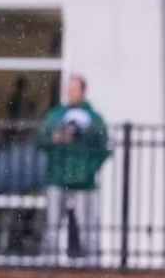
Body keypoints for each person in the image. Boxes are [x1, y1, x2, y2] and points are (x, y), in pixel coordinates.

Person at [37, 74, 111, 262]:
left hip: (84, 183)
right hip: (57, 178)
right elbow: (41, 139)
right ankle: (48, 264)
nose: (70, 93)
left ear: (83, 91)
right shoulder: (56, 116)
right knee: (52, 227)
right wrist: (55, 139)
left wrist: (89, 169)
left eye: (74, 89)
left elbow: (103, 147)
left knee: (87, 228)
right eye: (69, 89)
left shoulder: (94, 119)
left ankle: (92, 267)